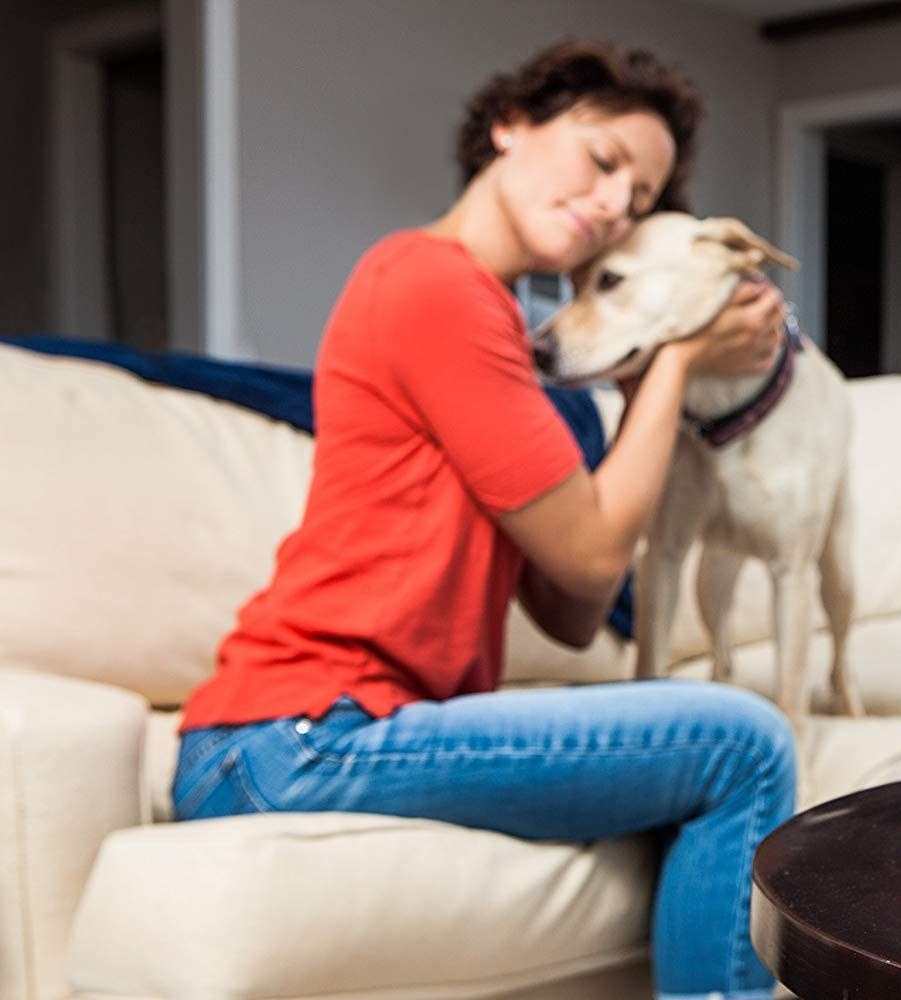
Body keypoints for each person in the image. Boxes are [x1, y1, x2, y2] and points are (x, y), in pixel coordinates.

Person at [172, 40, 795, 1000]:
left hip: (321, 731)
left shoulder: (497, 326)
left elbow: (575, 607)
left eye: (638, 201)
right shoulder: (432, 282)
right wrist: (676, 358)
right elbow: (595, 554)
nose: (612, 205)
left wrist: (632, 378)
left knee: (720, 740)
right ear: (511, 126)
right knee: (743, 744)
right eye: (603, 161)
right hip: (296, 732)